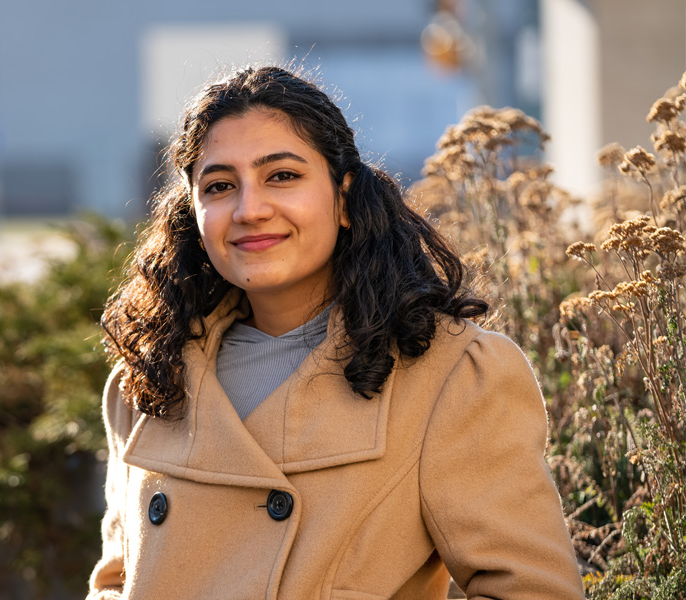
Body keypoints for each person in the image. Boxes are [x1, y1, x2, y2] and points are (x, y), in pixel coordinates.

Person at [87, 65, 584, 600]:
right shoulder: (148, 380)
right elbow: (118, 580)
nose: (250, 209)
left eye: (282, 175)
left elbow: (534, 590)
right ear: (193, 211)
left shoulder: (448, 375)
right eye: (220, 186)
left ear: (344, 197)